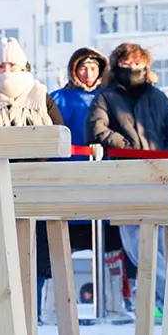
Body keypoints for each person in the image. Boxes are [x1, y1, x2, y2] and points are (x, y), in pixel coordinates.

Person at [85, 43, 168, 317]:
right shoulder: (105, 98)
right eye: (126, 64)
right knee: (139, 249)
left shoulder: (157, 97)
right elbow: (95, 129)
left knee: (164, 247)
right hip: (125, 180)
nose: (132, 69)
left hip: (159, 178)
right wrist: (125, 145)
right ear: (117, 66)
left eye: (137, 64)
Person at [37, 47, 105, 316]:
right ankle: (49, 305)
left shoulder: (109, 98)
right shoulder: (59, 99)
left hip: (101, 188)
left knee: (109, 247)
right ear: (74, 71)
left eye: (93, 68)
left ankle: (113, 302)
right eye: (83, 68)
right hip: (63, 188)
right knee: (53, 247)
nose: (88, 74)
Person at [0, 41, 61, 128]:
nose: (7, 71)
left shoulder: (40, 98)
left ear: (22, 68)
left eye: (12, 65)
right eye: (1, 66)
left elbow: (60, 133)